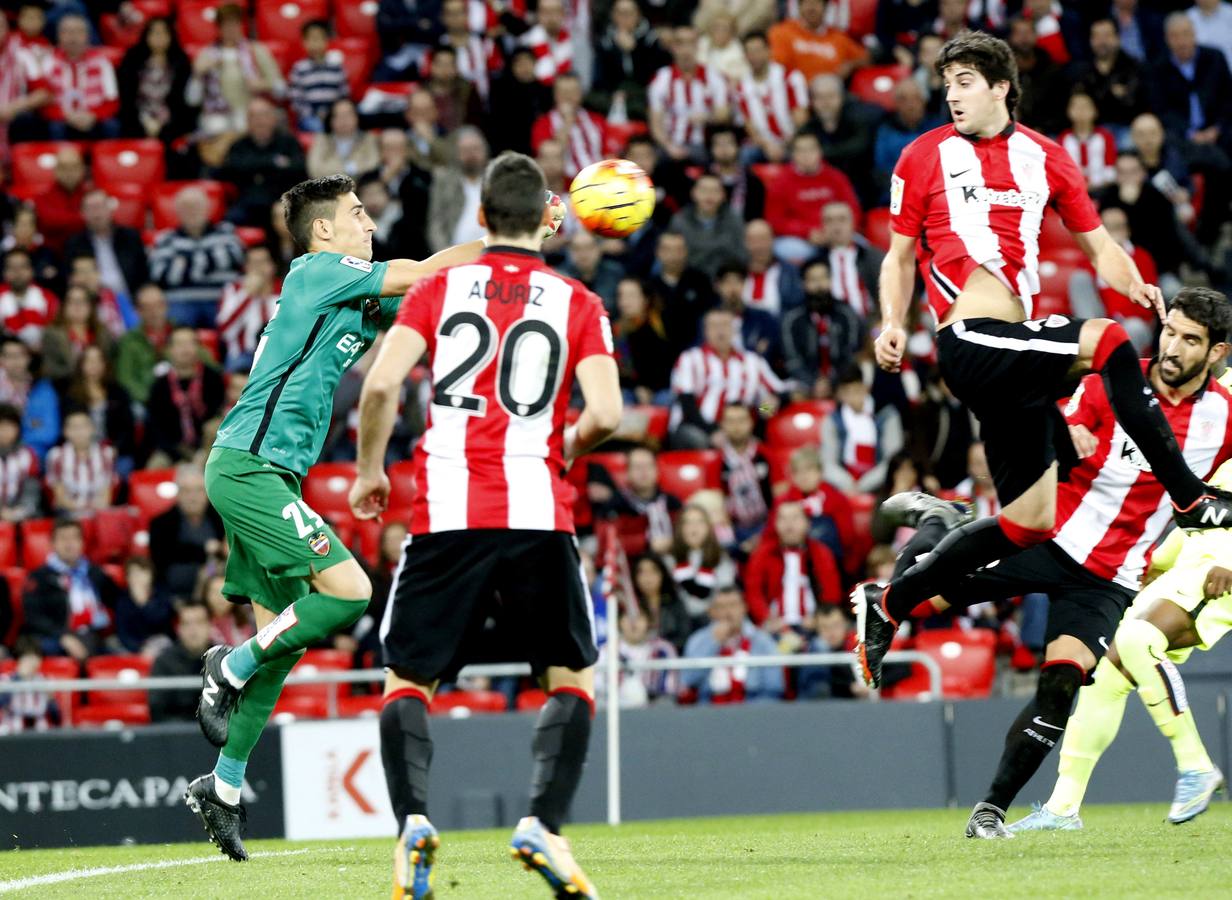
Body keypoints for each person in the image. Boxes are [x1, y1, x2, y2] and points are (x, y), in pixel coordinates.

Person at [854, 32, 1232, 709]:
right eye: (947, 80)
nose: (951, 92)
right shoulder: (922, 154)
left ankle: (890, 602)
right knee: (1110, 341)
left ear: (1002, 86)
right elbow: (899, 257)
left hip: (1017, 355)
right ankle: (1188, 495)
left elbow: (1100, 248)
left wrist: (1140, 284)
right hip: (971, 339)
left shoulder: (1048, 159)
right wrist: (890, 321)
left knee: (1030, 520)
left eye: (965, 79)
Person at [181, 173, 493, 863]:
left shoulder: (344, 300)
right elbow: (419, 270)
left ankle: (223, 789)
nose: (367, 223)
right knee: (350, 592)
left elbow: (423, 295)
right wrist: (506, 242)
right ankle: (225, 667)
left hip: (262, 471)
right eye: (356, 214)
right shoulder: (323, 269)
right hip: (250, 467)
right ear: (323, 230)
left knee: (283, 644)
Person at [346, 151, 614, 899]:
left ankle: (413, 825)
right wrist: (570, 445)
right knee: (570, 679)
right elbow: (610, 414)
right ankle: (543, 826)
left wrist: (371, 472)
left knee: (407, 678)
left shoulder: (440, 287)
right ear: (546, 222)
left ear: (483, 218)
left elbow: (380, 385)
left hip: (446, 513)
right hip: (538, 510)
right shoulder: (578, 301)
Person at [883, 289, 1232, 839]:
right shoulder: (1107, 382)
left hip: (1108, 578)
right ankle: (939, 524)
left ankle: (990, 812)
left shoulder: (1223, 418)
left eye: (1191, 340)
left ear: (1216, 353)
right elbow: (1046, 433)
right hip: (1046, 541)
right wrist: (1065, 435)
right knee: (921, 600)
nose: (1173, 347)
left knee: (1061, 687)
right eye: (1171, 331)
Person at [1022, 452, 1232, 832]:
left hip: (1222, 573)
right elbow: (1195, 530)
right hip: (1191, 565)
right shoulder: (1207, 456)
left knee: (1137, 638)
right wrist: (1145, 563)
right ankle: (1062, 808)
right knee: (1106, 674)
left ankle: (1196, 766)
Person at [669, 308, 784, 449]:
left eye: (725, 325)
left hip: (743, 431)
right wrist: (713, 431)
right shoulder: (690, 359)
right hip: (700, 428)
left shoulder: (752, 361)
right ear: (705, 331)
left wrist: (766, 408)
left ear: (735, 330)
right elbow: (687, 403)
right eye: (714, 326)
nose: (720, 331)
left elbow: (774, 396)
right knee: (698, 440)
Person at [21, 519, 119, 661]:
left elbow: (118, 602)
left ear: (82, 543)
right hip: (56, 638)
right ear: (53, 544)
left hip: (95, 635)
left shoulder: (95, 573)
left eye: (74, 538)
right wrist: (62, 636)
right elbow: (34, 617)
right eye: (63, 538)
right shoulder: (39, 577)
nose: (69, 544)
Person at [148, 187, 246, 328]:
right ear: (177, 212)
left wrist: (184, 263)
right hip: (181, 302)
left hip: (221, 299)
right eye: (186, 208)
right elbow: (160, 274)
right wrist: (214, 259)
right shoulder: (166, 239)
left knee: (237, 322)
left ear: (208, 208)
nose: (192, 211)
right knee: (175, 326)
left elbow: (237, 256)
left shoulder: (226, 232)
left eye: (196, 206)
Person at [763, 132, 860, 266]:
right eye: (800, 150)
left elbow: (853, 210)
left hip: (837, 233)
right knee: (782, 250)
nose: (806, 155)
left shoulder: (836, 177)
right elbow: (775, 221)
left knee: (865, 248)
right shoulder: (781, 183)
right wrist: (807, 232)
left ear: (820, 152)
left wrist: (833, 231)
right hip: (802, 240)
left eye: (810, 149)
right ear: (793, 155)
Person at [745, 499, 842, 631]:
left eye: (795, 518)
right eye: (783, 519)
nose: (789, 525)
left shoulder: (820, 553)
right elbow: (753, 592)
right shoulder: (763, 554)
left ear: (807, 523)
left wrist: (818, 619)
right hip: (774, 628)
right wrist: (766, 618)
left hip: (813, 627)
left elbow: (831, 592)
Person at [679, 586, 783, 703]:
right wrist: (713, 642)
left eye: (733, 605)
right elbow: (687, 682)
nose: (728, 612)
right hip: (708, 711)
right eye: (721, 607)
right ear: (712, 611)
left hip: (753, 711)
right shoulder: (698, 640)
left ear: (744, 607)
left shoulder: (763, 641)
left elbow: (774, 688)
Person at [220, 98, 309, 228]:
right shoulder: (239, 145)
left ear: (274, 119)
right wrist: (274, 162)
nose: (260, 121)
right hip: (248, 202)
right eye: (254, 117)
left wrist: (253, 165)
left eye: (264, 115)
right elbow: (229, 169)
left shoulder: (288, 142)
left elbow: (299, 169)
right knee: (227, 224)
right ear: (248, 121)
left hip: (280, 201)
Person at [142, 327, 224, 466]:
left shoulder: (213, 378)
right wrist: (178, 452)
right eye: (179, 344)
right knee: (155, 466)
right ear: (169, 350)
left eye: (190, 343)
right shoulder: (160, 386)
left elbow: (219, 414)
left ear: (198, 348)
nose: (185, 349)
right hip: (172, 449)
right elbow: (156, 427)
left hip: (208, 447)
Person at [782, 257, 865, 395]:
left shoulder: (847, 314)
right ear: (804, 284)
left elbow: (852, 354)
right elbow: (792, 361)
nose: (820, 285)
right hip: (803, 385)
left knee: (857, 393)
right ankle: (757, 415)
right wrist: (813, 383)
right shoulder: (792, 320)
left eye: (824, 278)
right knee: (766, 406)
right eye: (813, 280)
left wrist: (831, 382)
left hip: (842, 383)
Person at [648, 25, 731, 162]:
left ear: (698, 46)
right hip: (670, 144)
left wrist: (708, 117)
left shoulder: (714, 77)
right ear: (672, 47)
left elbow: (724, 114)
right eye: (680, 43)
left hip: (703, 145)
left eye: (691, 43)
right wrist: (669, 146)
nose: (686, 49)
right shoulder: (661, 79)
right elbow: (656, 125)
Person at [148, 464, 225, 599]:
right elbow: (164, 557)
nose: (193, 497)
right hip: (173, 596)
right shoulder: (160, 524)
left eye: (199, 490)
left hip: (216, 596)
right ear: (177, 494)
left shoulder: (220, 520)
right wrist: (204, 550)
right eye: (186, 491)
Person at [40, 14, 120, 140]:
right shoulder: (48, 62)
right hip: (62, 119)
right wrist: (66, 116)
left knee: (111, 125)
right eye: (67, 32)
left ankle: (106, 160)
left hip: (93, 118)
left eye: (78, 32)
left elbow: (112, 102)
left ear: (88, 36)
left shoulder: (102, 62)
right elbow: (42, 102)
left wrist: (93, 115)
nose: (73, 38)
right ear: (58, 36)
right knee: (55, 127)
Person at [116, 16, 195, 143]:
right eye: (154, 32)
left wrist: (161, 122)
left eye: (163, 32)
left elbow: (182, 100)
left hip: (171, 119)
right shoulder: (132, 59)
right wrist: (146, 121)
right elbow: (126, 97)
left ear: (171, 36)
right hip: (137, 117)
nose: (159, 37)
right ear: (146, 35)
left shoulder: (181, 61)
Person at [734, 31, 809, 164]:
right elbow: (750, 126)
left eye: (758, 50)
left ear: (768, 51)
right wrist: (767, 145)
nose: (754, 56)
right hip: (763, 146)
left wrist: (785, 144)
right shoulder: (741, 88)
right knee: (745, 155)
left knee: (806, 151)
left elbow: (801, 121)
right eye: (749, 52)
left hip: (792, 141)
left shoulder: (790, 77)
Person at [530, 72, 606, 181]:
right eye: (563, 92)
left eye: (573, 92)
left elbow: (606, 153)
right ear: (555, 95)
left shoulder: (596, 120)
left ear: (580, 94)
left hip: (599, 180)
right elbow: (552, 159)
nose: (568, 97)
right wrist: (567, 122)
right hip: (563, 186)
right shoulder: (543, 123)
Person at [668, 174, 746, 280]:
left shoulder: (734, 220)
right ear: (693, 193)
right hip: (688, 279)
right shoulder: (680, 221)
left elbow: (740, 255)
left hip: (724, 280)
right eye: (704, 190)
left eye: (715, 191)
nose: (709, 195)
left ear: (723, 195)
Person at [426, 126, 490, 253]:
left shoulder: (497, 179)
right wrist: (444, 255)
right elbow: (435, 223)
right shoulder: (444, 181)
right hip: (455, 255)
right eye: (465, 150)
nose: (471, 155)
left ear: (485, 150)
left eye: (476, 149)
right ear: (457, 153)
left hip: (491, 253)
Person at [768, 0, 867, 83]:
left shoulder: (838, 37)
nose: (811, 8)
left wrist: (850, 65)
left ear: (825, 8)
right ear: (799, 7)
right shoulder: (781, 33)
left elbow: (865, 59)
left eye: (816, 3)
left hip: (832, 93)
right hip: (796, 92)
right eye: (807, 3)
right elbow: (776, 68)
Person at [216, 244, 279, 370]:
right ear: (246, 267)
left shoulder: (285, 290)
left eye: (263, 262)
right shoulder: (234, 289)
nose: (259, 268)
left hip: (278, 355)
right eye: (254, 263)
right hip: (243, 355)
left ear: (273, 266)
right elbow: (224, 331)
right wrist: (247, 295)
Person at [149, 602, 213, 723]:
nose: (193, 630)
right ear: (178, 629)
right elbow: (157, 710)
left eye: (199, 622)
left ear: (209, 626)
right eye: (187, 624)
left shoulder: (224, 659)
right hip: (177, 734)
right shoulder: (164, 662)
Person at [44, 410, 114, 518]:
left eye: (83, 427)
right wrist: (81, 509)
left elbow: (106, 495)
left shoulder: (106, 454)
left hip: (98, 513)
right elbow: (60, 497)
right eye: (74, 428)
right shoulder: (56, 456)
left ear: (92, 429)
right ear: (65, 432)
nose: (79, 432)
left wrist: (94, 510)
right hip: (68, 513)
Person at [0, 336, 59, 462]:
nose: (16, 361)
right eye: (10, 356)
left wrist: (19, 446)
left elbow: (49, 431)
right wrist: (30, 423)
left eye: (20, 355)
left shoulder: (43, 389)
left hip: (32, 454)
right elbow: (37, 424)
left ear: (28, 358)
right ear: (2, 359)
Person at [287, 19, 350, 133]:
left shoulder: (336, 67)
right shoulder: (299, 69)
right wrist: (313, 114)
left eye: (318, 39)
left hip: (334, 116)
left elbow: (343, 94)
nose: (314, 44)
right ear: (303, 42)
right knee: (319, 127)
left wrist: (333, 114)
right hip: (309, 117)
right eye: (310, 39)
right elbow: (296, 100)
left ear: (327, 41)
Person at [40, 285, 111, 383]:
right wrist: (83, 372)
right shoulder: (52, 334)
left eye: (82, 301)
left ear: (90, 306)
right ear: (64, 306)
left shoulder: (103, 333)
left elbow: (109, 364)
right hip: (65, 386)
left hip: (100, 384)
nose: (77, 306)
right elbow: (50, 369)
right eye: (72, 302)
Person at [113, 557, 174, 655]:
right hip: (134, 645)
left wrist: (143, 603)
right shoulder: (123, 600)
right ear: (127, 578)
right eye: (133, 574)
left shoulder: (161, 594)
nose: (138, 578)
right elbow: (123, 632)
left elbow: (160, 620)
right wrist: (138, 648)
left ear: (151, 575)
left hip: (159, 640)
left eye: (142, 572)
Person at [0, 248, 59, 349]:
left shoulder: (48, 298)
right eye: (12, 267)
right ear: (5, 272)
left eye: (23, 267)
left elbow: (53, 333)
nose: (18, 272)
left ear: (31, 270)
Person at [307, 99, 380, 180]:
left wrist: (335, 171)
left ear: (357, 117)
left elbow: (373, 165)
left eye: (348, 115)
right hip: (329, 189)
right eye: (338, 116)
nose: (343, 120)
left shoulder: (368, 138)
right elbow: (314, 170)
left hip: (363, 188)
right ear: (330, 120)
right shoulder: (322, 140)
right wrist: (350, 171)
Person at [1059, 91, 1117, 191]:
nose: (1081, 111)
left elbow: (1110, 168)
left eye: (1085, 107)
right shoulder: (1063, 138)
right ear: (1068, 111)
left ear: (1095, 111)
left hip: (1102, 189)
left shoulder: (1105, 136)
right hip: (1072, 191)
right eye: (1076, 107)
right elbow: (1061, 169)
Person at [0, 404, 41, 523]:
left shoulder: (27, 454)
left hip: (20, 514)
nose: (4, 432)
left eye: (9, 427)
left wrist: (21, 511)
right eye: (1, 427)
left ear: (18, 429)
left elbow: (32, 488)